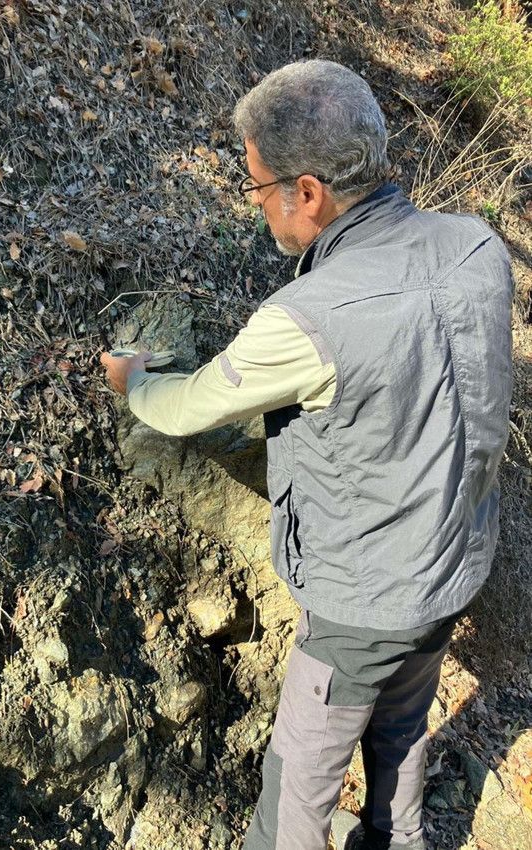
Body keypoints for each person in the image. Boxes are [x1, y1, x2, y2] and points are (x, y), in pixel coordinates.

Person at [101, 60, 513, 850]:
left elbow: (187, 408)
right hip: (456, 565)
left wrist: (134, 381)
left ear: (309, 191)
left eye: (257, 188)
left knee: (293, 800)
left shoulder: (309, 315)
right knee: (400, 735)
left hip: (360, 608)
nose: (256, 204)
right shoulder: (476, 246)